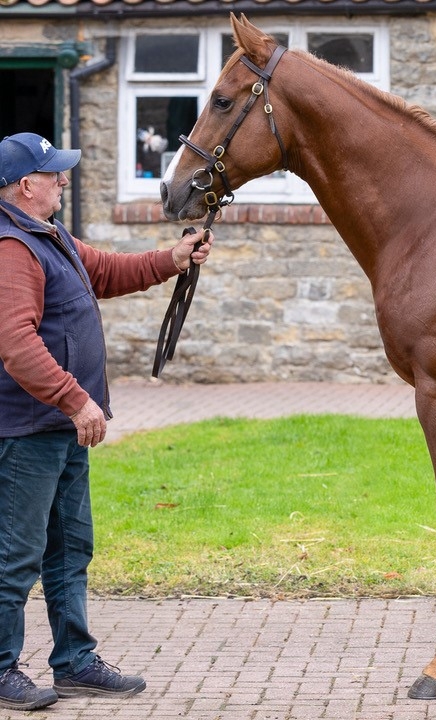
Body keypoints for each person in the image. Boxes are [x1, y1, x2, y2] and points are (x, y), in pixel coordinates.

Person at [0, 132, 212, 710]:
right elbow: (16, 345)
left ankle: (73, 662)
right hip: (27, 432)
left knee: (70, 550)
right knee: (16, 556)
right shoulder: (12, 248)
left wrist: (171, 259)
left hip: (59, 430)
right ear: (26, 185)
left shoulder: (50, 236)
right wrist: (76, 399)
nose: (63, 180)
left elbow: (107, 271)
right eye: (54, 174)